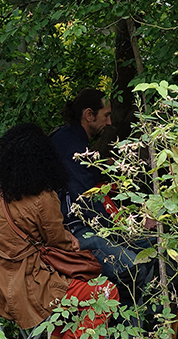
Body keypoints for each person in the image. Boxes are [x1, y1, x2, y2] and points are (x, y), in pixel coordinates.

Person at [0, 123, 119, 339]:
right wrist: (71, 241)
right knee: (106, 294)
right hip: (31, 288)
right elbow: (60, 245)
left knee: (73, 288)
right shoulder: (42, 198)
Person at [50, 88, 153, 302]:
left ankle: (151, 316)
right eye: (106, 115)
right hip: (76, 232)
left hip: (86, 225)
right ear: (89, 115)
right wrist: (127, 226)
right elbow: (85, 201)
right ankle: (135, 329)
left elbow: (87, 178)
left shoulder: (71, 139)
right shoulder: (69, 145)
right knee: (134, 267)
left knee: (152, 245)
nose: (108, 123)